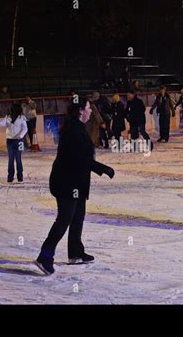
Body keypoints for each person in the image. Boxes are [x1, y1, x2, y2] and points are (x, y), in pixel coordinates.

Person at [35, 98, 115, 275]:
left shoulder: (78, 127)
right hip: (67, 182)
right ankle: (45, 256)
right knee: (65, 219)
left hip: (76, 181)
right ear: (80, 111)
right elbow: (81, 159)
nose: (91, 112)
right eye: (88, 108)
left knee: (78, 216)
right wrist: (103, 169)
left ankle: (75, 252)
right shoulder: (73, 130)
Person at [0, 103, 27, 183]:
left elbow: (25, 129)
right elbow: (3, 124)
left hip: (19, 141)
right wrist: (0, 122)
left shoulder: (22, 117)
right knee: (11, 159)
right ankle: (10, 177)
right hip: (10, 140)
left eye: (12, 108)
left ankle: (20, 176)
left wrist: (20, 136)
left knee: (18, 158)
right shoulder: (8, 116)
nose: (10, 110)